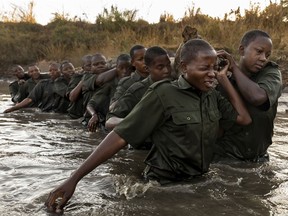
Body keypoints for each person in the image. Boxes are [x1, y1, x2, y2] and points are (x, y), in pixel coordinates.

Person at [45, 39, 251, 213]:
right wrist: (74, 179)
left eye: (215, 68)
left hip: (198, 181)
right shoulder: (163, 93)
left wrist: (223, 79)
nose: (212, 73)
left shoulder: (211, 95)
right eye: (205, 68)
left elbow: (243, 119)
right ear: (184, 66)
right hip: (163, 186)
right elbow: (120, 135)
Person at [214, 29, 283, 162]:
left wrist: (233, 68)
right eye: (259, 51)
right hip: (225, 159)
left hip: (260, 159)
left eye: (267, 55)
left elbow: (257, 97)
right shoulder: (223, 81)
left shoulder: (272, 74)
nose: (263, 58)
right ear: (241, 50)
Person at [105, 46, 172, 130]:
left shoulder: (173, 83)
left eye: (168, 65)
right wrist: (135, 120)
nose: (166, 70)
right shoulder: (133, 87)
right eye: (141, 59)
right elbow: (112, 112)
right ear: (132, 62)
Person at [86, 53, 132, 132]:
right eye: (121, 68)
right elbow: (91, 104)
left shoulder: (137, 81)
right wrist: (94, 115)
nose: (125, 71)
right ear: (116, 69)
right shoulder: (110, 84)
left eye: (128, 68)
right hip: (112, 119)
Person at [3, 62, 71, 113]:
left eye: (36, 70)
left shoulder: (49, 78)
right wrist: (13, 108)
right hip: (41, 109)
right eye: (50, 71)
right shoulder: (40, 84)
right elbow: (26, 99)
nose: (52, 72)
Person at [109, 44, 148, 110]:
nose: (145, 62)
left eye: (147, 58)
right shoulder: (127, 83)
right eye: (140, 59)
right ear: (133, 62)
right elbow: (113, 107)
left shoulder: (157, 77)